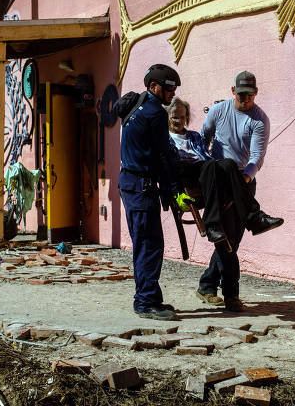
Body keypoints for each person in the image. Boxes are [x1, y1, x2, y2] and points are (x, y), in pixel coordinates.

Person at [196, 71, 280, 312]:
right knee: (227, 240)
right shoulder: (218, 111)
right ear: (233, 91)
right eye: (242, 94)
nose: (246, 98)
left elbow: (257, 158)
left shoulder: (259, 119)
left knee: (230, 239)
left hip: (243, 179)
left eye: (250, 95)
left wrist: (241, 181)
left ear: (256, 93)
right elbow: (203, 141)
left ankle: (208, 284)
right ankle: (231, 295)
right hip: (218, 180)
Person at [118, 64, 195, 321]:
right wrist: (176, 192)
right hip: (141, 186)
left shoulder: (136, 105)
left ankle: (151, 296)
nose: (173, 94)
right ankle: (145, 302)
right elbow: (163, 157)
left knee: (145, 244)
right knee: (149, 245)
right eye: (169, 88)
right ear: (154, 87)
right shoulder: (155, 114)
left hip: (131, 184)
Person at [166, 97, 283, 247]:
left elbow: (206, 155)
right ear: (167, 117)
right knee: (211, 166)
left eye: (182, 117)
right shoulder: (166, 139)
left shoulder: (194, 136)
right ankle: (213, 224)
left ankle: (254, 217)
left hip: (206, 171)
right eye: (175, 116)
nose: (179, 120)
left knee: (228, 164)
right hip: (186, 175)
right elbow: (168, 166)